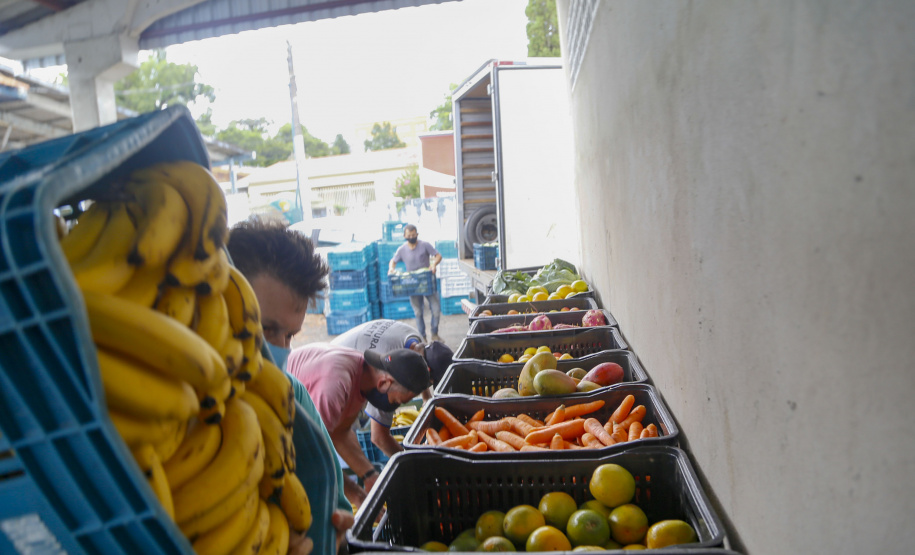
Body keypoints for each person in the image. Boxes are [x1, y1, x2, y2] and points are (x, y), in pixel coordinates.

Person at [227, 218, 354, 552]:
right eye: (266, 329)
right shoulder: (170, 407)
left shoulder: (292, 395)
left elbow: (334, 503)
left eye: (289, 335)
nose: (279, 347)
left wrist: (339, 534)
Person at [285, 344, 431, 509]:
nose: (394, 407)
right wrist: (356, 495)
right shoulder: (334, 388)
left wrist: (369, 474)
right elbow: (313, 455)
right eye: (397, 401)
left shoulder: (364, 378)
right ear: (384, 383)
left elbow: (340, 433)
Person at [331, 319, 454, 457]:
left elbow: (419, 369)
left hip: (338, 354)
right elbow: (379, 438)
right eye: (430, 383)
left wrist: (426, 397)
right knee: (346, 440)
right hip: (335, 382)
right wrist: (412, 466)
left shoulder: (416, 344)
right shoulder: (389, 373)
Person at [388, 224, 443, 342]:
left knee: (436, 310)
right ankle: (422, 337)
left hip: (427, 282)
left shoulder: (425, 245)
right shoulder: (402, 249)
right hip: (412, 285)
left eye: (413, 235)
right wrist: (391, 269)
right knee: (418, 312)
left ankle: (434, 333)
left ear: (417, 234)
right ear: (404, 236)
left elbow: (438, 255)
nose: (412, 237)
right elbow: (393, 261)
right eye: (409, 235)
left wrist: (433, 264)